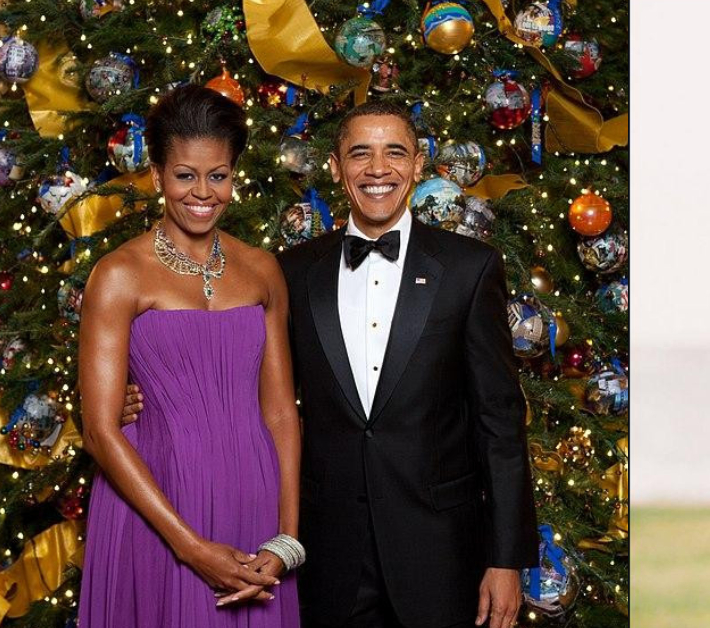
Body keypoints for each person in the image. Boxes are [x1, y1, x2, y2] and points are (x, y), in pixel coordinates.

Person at [124, 99, 539, 628]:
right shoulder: (291, 272)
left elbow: (499, 422)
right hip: (328, 553)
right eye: (360, 153)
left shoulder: (468, 268)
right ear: (337, 168)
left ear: (417, 165)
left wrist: (505, 557)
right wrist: (131, 401)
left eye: (395, 153)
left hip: (441, 550)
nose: (378, 169)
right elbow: (244, 384)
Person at [78, 85, 301, 626]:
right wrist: (189, 546)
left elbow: (280, 412)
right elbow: (100, 430)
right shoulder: (118, 275)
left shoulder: (262, 269)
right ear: (157, 176)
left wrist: (288, 538)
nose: (202, 192)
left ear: (233, 176)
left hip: (254, 496)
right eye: (184, 175)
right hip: (159, 508)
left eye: (218, 175)